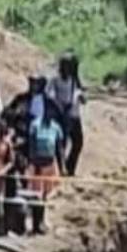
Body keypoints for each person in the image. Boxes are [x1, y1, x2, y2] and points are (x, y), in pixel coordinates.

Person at [28, 106, 64, 235]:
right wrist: (34, 162)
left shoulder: (56, 128)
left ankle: (42, 221)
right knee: (36, 195)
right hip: (38, 165)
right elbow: (31, 145)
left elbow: (59, 148)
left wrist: (62, 165)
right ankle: (35, 223)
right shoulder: (35, 125)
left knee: (45, 196)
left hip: (50, 164)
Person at [48, 52, 86, 175]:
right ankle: (60, 169)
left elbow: (79, 93)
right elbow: (50, 94)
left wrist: (80, 96)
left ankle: (70, 168)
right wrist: (61, 105)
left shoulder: (74, 80)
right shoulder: (55, 80)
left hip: (75, 115)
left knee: (78, 142)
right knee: (62, 144)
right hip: (63, 116)